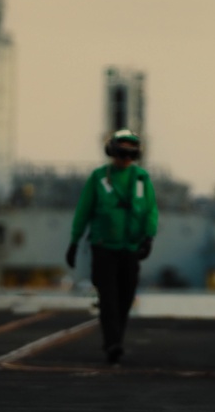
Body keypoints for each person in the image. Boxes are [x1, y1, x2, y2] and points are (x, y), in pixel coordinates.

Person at [66, 129, 158, 365]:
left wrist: (148, 238)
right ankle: (112, 343)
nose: (125, 159)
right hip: (103, 247)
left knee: (125, 297)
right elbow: (84, 210)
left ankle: (116, 339)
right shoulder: (98, 178)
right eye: (121, 153)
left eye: (130, 154)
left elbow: (150, 210)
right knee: (108, 297)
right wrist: (74, 242)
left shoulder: (141, 178)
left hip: (130, 248)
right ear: (112, 152)